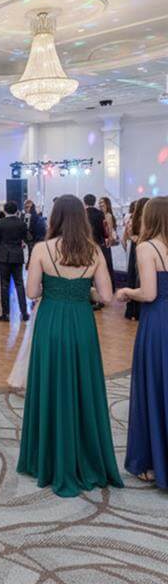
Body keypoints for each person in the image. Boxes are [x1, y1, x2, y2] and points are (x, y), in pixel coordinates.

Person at [17, 194, 122, 498]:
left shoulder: (41, 249)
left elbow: (32, 291)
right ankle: (86, 454)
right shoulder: (94, 252)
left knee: (49, 384)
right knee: (82, 384)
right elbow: (106, 297)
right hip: (81, 322)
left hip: (50, 321)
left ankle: (46, 459)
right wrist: (83, 288)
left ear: (56, 218)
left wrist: (56, 288)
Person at [116, 196, 168, 489]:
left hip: (158, 322)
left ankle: (152, 462)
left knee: (155, 385)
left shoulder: (148, 247)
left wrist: (126, 292)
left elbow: (148, 293)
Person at [0, 201, 28, 322]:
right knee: (19, 284)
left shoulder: (1, 223)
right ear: (16, 210)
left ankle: (6, 314)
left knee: (4, 285)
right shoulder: (21, 223)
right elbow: (27, 238)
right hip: (18, 255)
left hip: (4, 256)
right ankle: (24, 312)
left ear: (5, 211)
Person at [125, 198, 150, 320]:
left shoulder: (132, 219)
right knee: (142, 278)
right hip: (143, 249)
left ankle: (132, 311)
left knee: (134, 277)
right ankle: (138, 311)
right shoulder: (147, 220)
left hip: (135, 250)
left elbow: (129, 235)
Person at [99, 196, 118, 289]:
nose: (100, 204)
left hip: (106, 243)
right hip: (102, 242)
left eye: (102, 202)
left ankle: (110, 288)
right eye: (99, 202)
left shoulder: (108, 215)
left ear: (107, 204)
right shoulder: (100, 215)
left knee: (107, 265)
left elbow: (110, 231)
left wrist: (109, 241)